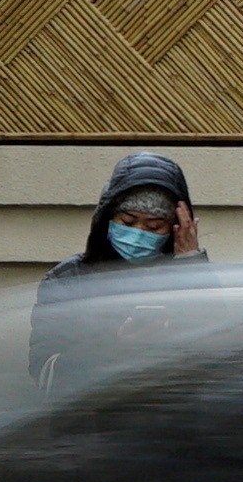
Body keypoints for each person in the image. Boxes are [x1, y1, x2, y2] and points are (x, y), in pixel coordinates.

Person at [30, 150, 212, 393]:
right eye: (127, 222)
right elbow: (46, 374)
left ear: (174, 228)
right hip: (92, 424)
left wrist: (192, 265)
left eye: (154, 226)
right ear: (108, 218)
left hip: (169, 422)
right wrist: (116, 346)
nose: (138, 233)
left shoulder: (186, 278)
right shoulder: (67, 280)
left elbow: (216, 351)